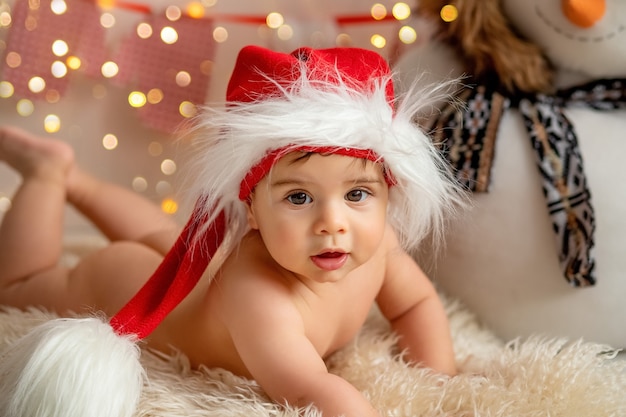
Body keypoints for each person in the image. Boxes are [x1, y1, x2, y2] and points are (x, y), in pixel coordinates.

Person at [0, 45, 465, 417]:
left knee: (168, 238)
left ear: (389, 193)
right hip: (128, 283)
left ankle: (79, 183)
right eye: (299, 198)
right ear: (253, 211)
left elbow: (416, 303)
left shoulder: (381, 246)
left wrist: (439, 379)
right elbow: (312, 388)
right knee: (19, 287)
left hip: (202, 277)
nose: (333, 223)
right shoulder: (258, 294)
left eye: (357, 195)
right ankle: (47, 174)